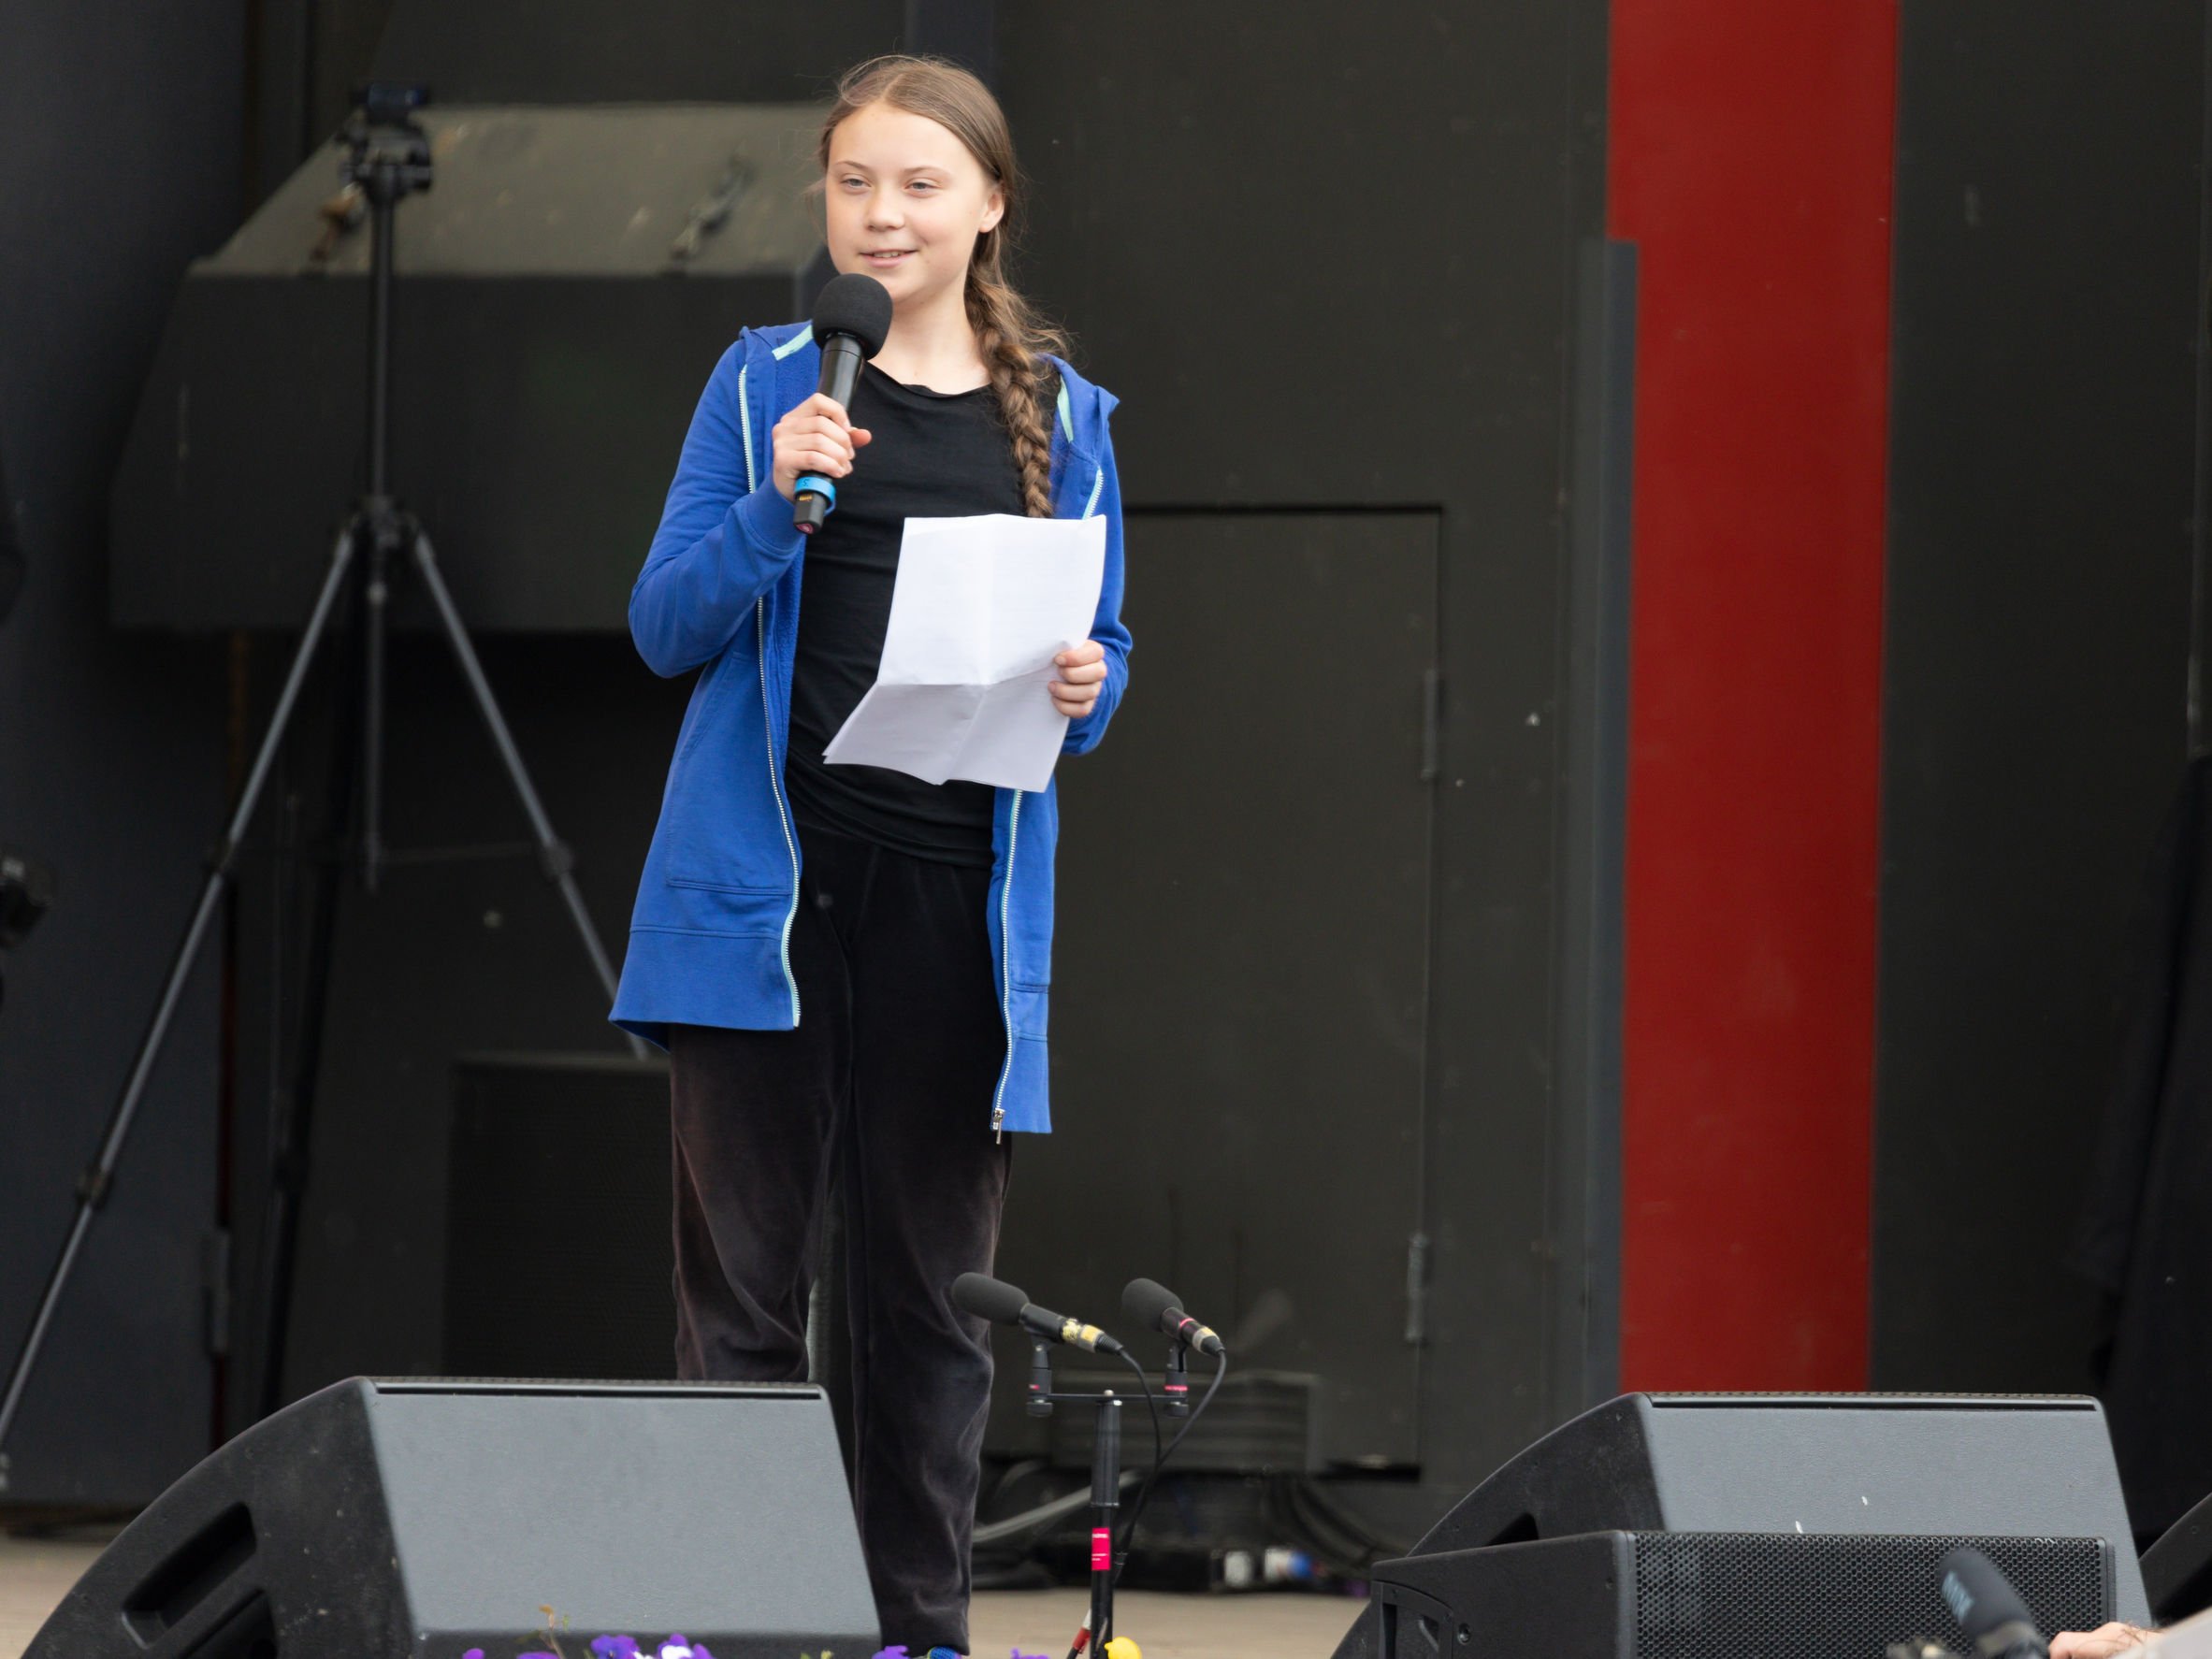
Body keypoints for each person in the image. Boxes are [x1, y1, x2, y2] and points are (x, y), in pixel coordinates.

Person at [609, 54, 1131, 1659]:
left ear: (988, 205)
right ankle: (736, 1627)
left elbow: (1100, 657)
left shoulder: (1074, 418)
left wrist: (1089, 684)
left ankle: (920, 1633)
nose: (882, 213)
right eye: (854, 183)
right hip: (762, 903)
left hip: (949, 907)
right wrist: (775, 509)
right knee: (745, 1298)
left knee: (929, 1311)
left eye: (918, 183)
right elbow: (661, 626)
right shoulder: (765, 385)